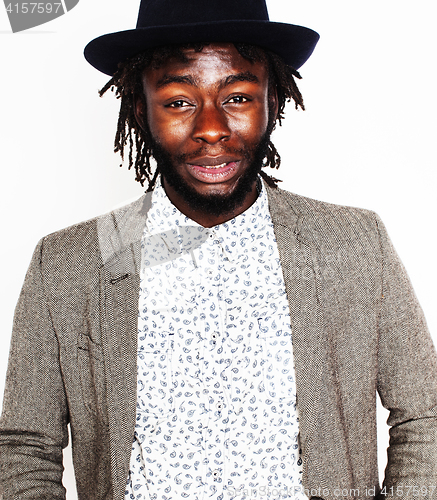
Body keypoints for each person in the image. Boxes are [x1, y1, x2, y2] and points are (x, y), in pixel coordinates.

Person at [1, 0, 437, 499]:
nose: (211, 127)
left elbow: (425, 415)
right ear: (141, 110)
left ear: (273, 102)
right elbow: (25, 448)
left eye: (237, 97)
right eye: (180, 101)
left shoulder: (351, 244)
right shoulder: (70, 264)